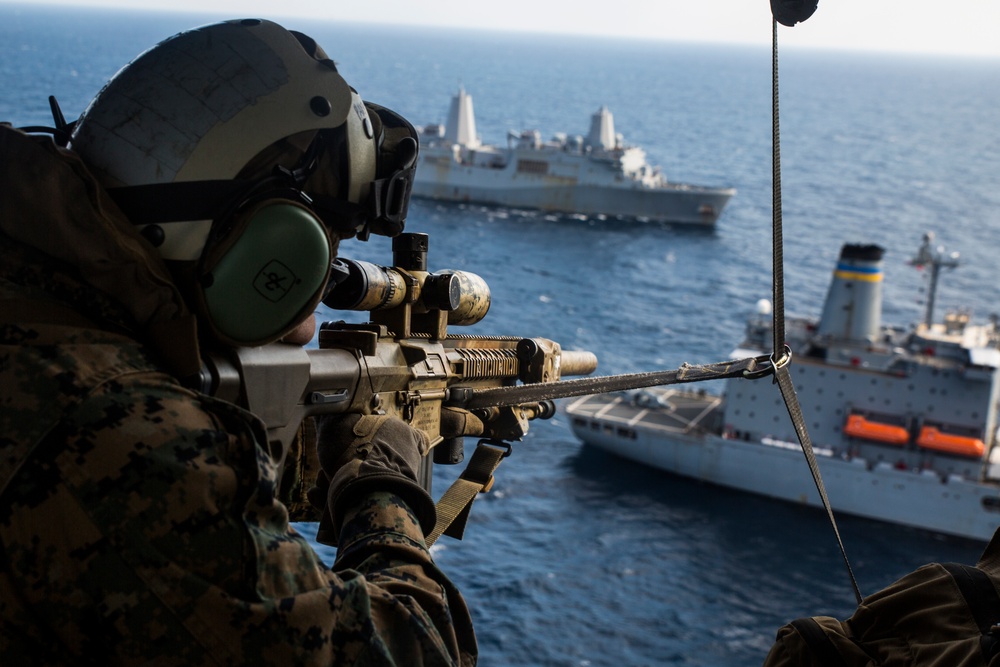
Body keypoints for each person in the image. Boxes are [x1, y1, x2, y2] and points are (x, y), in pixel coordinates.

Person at [0, 18, 477, 666]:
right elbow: (406, 650)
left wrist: (299, 464)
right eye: (308, 269)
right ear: (257, 244)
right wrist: (382, 487)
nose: (306, 327)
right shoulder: (118, 434)